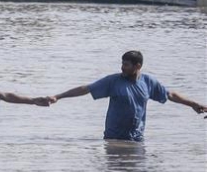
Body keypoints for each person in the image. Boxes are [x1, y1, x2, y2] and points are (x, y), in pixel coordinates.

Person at [43, 50, 206, 142]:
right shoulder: (113, 81)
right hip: (113, 139)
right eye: (122, 64)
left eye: (126, 65)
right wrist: (58, 96)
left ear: (138, 66)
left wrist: (193, 104)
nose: (122, 68)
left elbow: (170, 95)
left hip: (136, 139)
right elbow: (86, 89)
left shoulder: (148, 82)